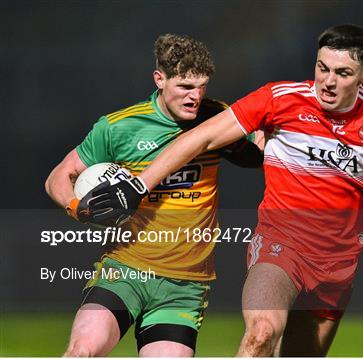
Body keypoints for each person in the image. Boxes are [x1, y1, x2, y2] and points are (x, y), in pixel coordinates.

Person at [73, 25, 363, 357]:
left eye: (343, 72)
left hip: (338, 264)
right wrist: (138, 185)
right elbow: (201, 137)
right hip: (279, 248)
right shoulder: (280, 99)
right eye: (322, 67)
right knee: (261, 332)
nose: (328, 80)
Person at [44, 34, 262, 357]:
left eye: (202, 86)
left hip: (184, 286)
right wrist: (78, 208)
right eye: (185, 87)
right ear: (159, 79)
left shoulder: (216, 118)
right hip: (125, 272)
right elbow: (58, 177)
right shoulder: (120, 127)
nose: (196, 96)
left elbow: (256, 149)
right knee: (81, 351)